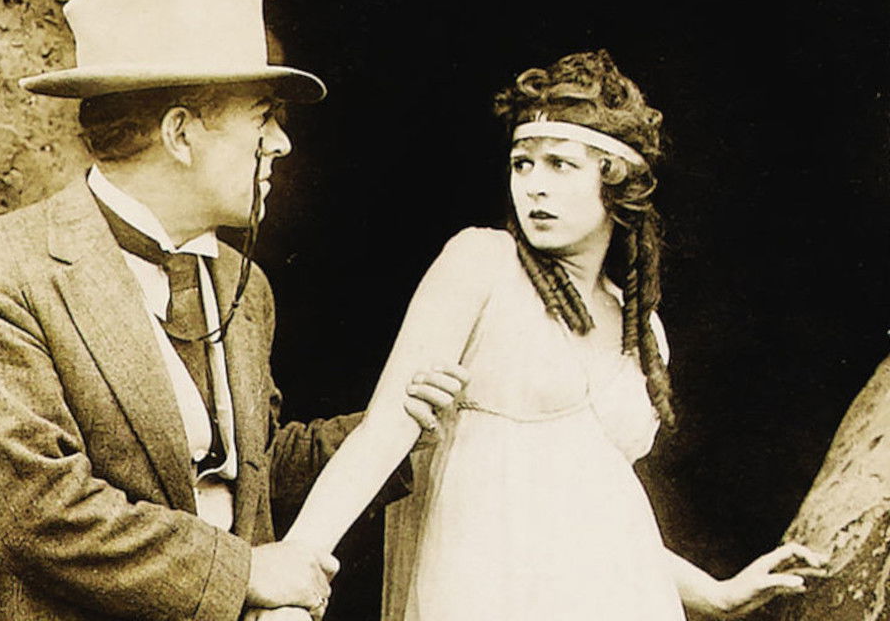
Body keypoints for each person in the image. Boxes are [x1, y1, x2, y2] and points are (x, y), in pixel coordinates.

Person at [0, 0, 456, 621]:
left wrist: (395, 427)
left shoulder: (243, 287)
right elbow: (36, 511)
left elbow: (245, 475)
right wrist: (244, 573)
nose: (282, 144)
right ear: (180, 133)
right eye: (263, 117)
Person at [250, 50, 827, 621]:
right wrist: (297, 565)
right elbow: (383, 433)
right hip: (489, 593)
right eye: (522, 164)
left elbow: (599, 516)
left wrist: (716, 594)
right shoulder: (482, 263)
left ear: (616, 178)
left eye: (560, 165)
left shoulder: (642, 328)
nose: (534, 186)